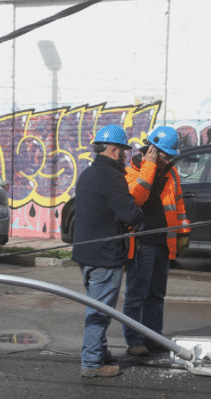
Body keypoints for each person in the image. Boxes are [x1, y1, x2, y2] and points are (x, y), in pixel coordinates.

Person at [71, 125, 143, 377]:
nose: (125, 155)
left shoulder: (88, 174)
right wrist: (140, 212)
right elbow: (128, 214)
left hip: (86, 254)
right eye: (123, 150)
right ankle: (92, 363)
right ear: (113, 150)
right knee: (100, 311)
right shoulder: (113, 178)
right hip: (105, 256)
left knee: (95, 304)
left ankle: (98, 351)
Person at [122, 126, 190, 356]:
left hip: (164, 243)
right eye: (164, 156)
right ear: (151, 150)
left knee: (157, 295)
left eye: (170, 156)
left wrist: (183, 233)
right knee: (137, 295)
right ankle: (134, 341)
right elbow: (135, 198)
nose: (168, 160)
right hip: (142, 243)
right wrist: (149, 166)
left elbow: (179, 206)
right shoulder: (131, 172)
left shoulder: (171, 173)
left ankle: (153, 336)